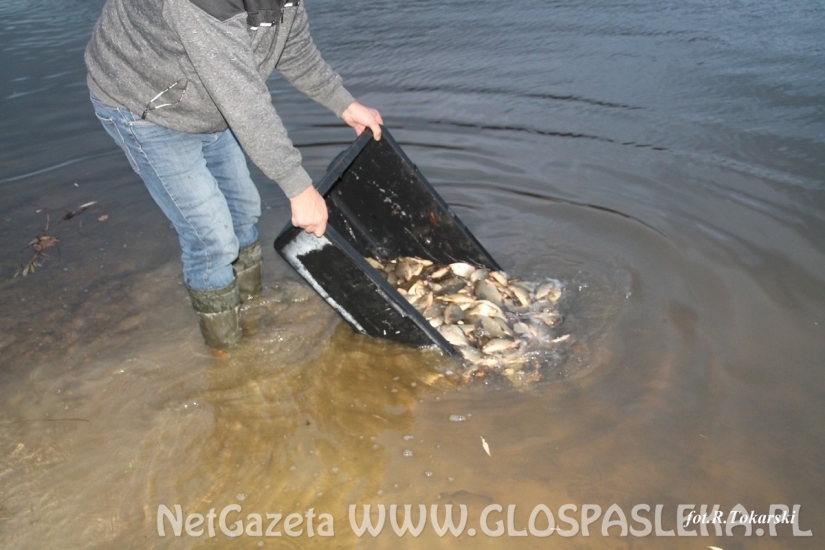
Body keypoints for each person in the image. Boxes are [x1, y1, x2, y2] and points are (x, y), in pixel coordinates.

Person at [84, 0, 383, 349]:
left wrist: (342, 101)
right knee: (212, 239)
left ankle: (249, 312)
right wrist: (298, 187)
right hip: (144, 106)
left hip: (207, 101)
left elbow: (291, 46)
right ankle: (227, 355)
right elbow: (242, 98)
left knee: (243, 212)